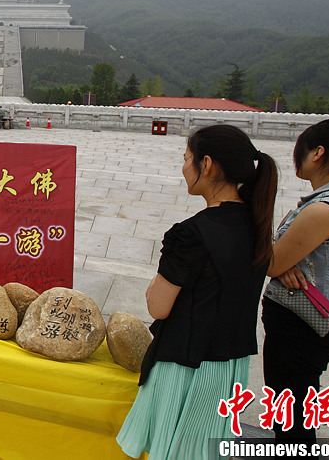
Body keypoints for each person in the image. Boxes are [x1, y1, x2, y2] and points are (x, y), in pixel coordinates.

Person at [117, 125, 277, 460]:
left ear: (207, 165)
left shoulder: (191, 234)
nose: (183, 167)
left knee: (173, 451)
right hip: (230, 368)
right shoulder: (257, 226)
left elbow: (158, 306)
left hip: (186, 367)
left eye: (187, 159)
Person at [262, 119, 329, 444]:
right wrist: (285, 262)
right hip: (318, 327)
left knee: (291, 420)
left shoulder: (324, 210)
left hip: (300, 328)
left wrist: (280, 263)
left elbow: (271, 261)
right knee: (297, 409)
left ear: (318, 152)